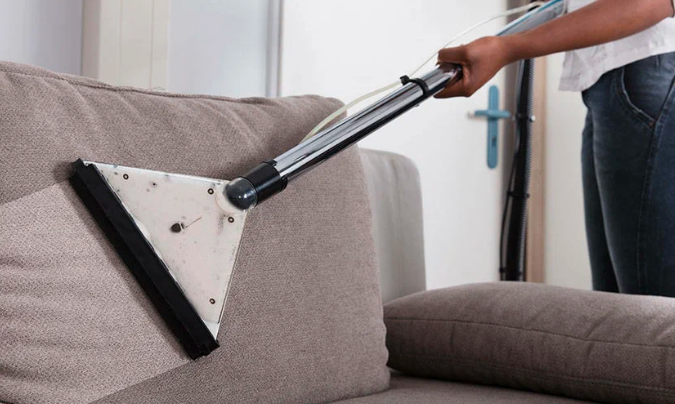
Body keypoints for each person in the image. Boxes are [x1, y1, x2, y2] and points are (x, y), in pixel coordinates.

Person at [437, 0, 675, 296]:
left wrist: (507, 49)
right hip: (610, 83)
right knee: (615, 304)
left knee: (647, 304)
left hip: (641, 71)